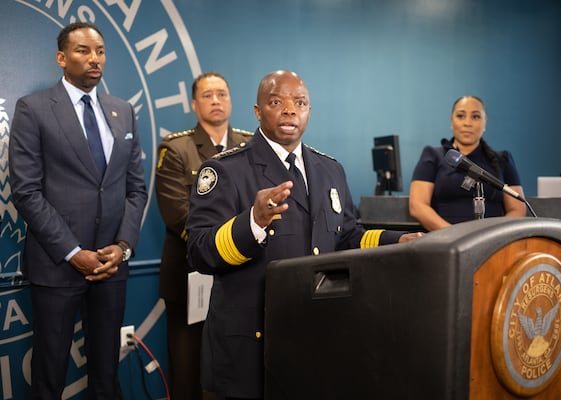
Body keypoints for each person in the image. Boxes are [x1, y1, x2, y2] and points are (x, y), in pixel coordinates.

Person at [185, 69, 424, 400]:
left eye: (300, 102)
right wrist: (253, 222)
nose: (289, 109)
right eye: (276, 101)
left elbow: (348, 236)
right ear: (257, 111)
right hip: (251, 348)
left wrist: (396, 242)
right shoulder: (225, 169)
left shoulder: (330, 170)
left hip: (316, 340)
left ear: (309, 111)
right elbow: (199, 252)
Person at [8, 22, 147, 399]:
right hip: (57, 266)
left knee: (106, 373)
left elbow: (136, 189)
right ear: (61, 58)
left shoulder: (123, 111)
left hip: (110, 265)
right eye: (83, 50)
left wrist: (122, 247)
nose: (94, 58)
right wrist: (73, 252)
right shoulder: (33, 109)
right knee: (49, 372)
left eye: (100, 50)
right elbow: (27, 191)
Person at [155, 71, 252, 400]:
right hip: (189, 276)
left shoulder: (249, 145)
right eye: (208, 95)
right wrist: (229, 243)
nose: (216, 101)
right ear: (194, 104)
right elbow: (177, 214)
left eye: (222, 94)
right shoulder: (176, 148)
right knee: (188, 371)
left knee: (237, 367)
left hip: (242, 276)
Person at [409, 95, 526, 231]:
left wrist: (493, 237)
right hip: (446, 240)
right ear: (451, 121)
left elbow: (517, 209)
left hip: (493, 241)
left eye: (475, 117)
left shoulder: (502, 159)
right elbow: (418, 206)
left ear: (485, 122)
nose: (467, 123)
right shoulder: (433, 155)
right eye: (460, 116)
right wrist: (454, 235)